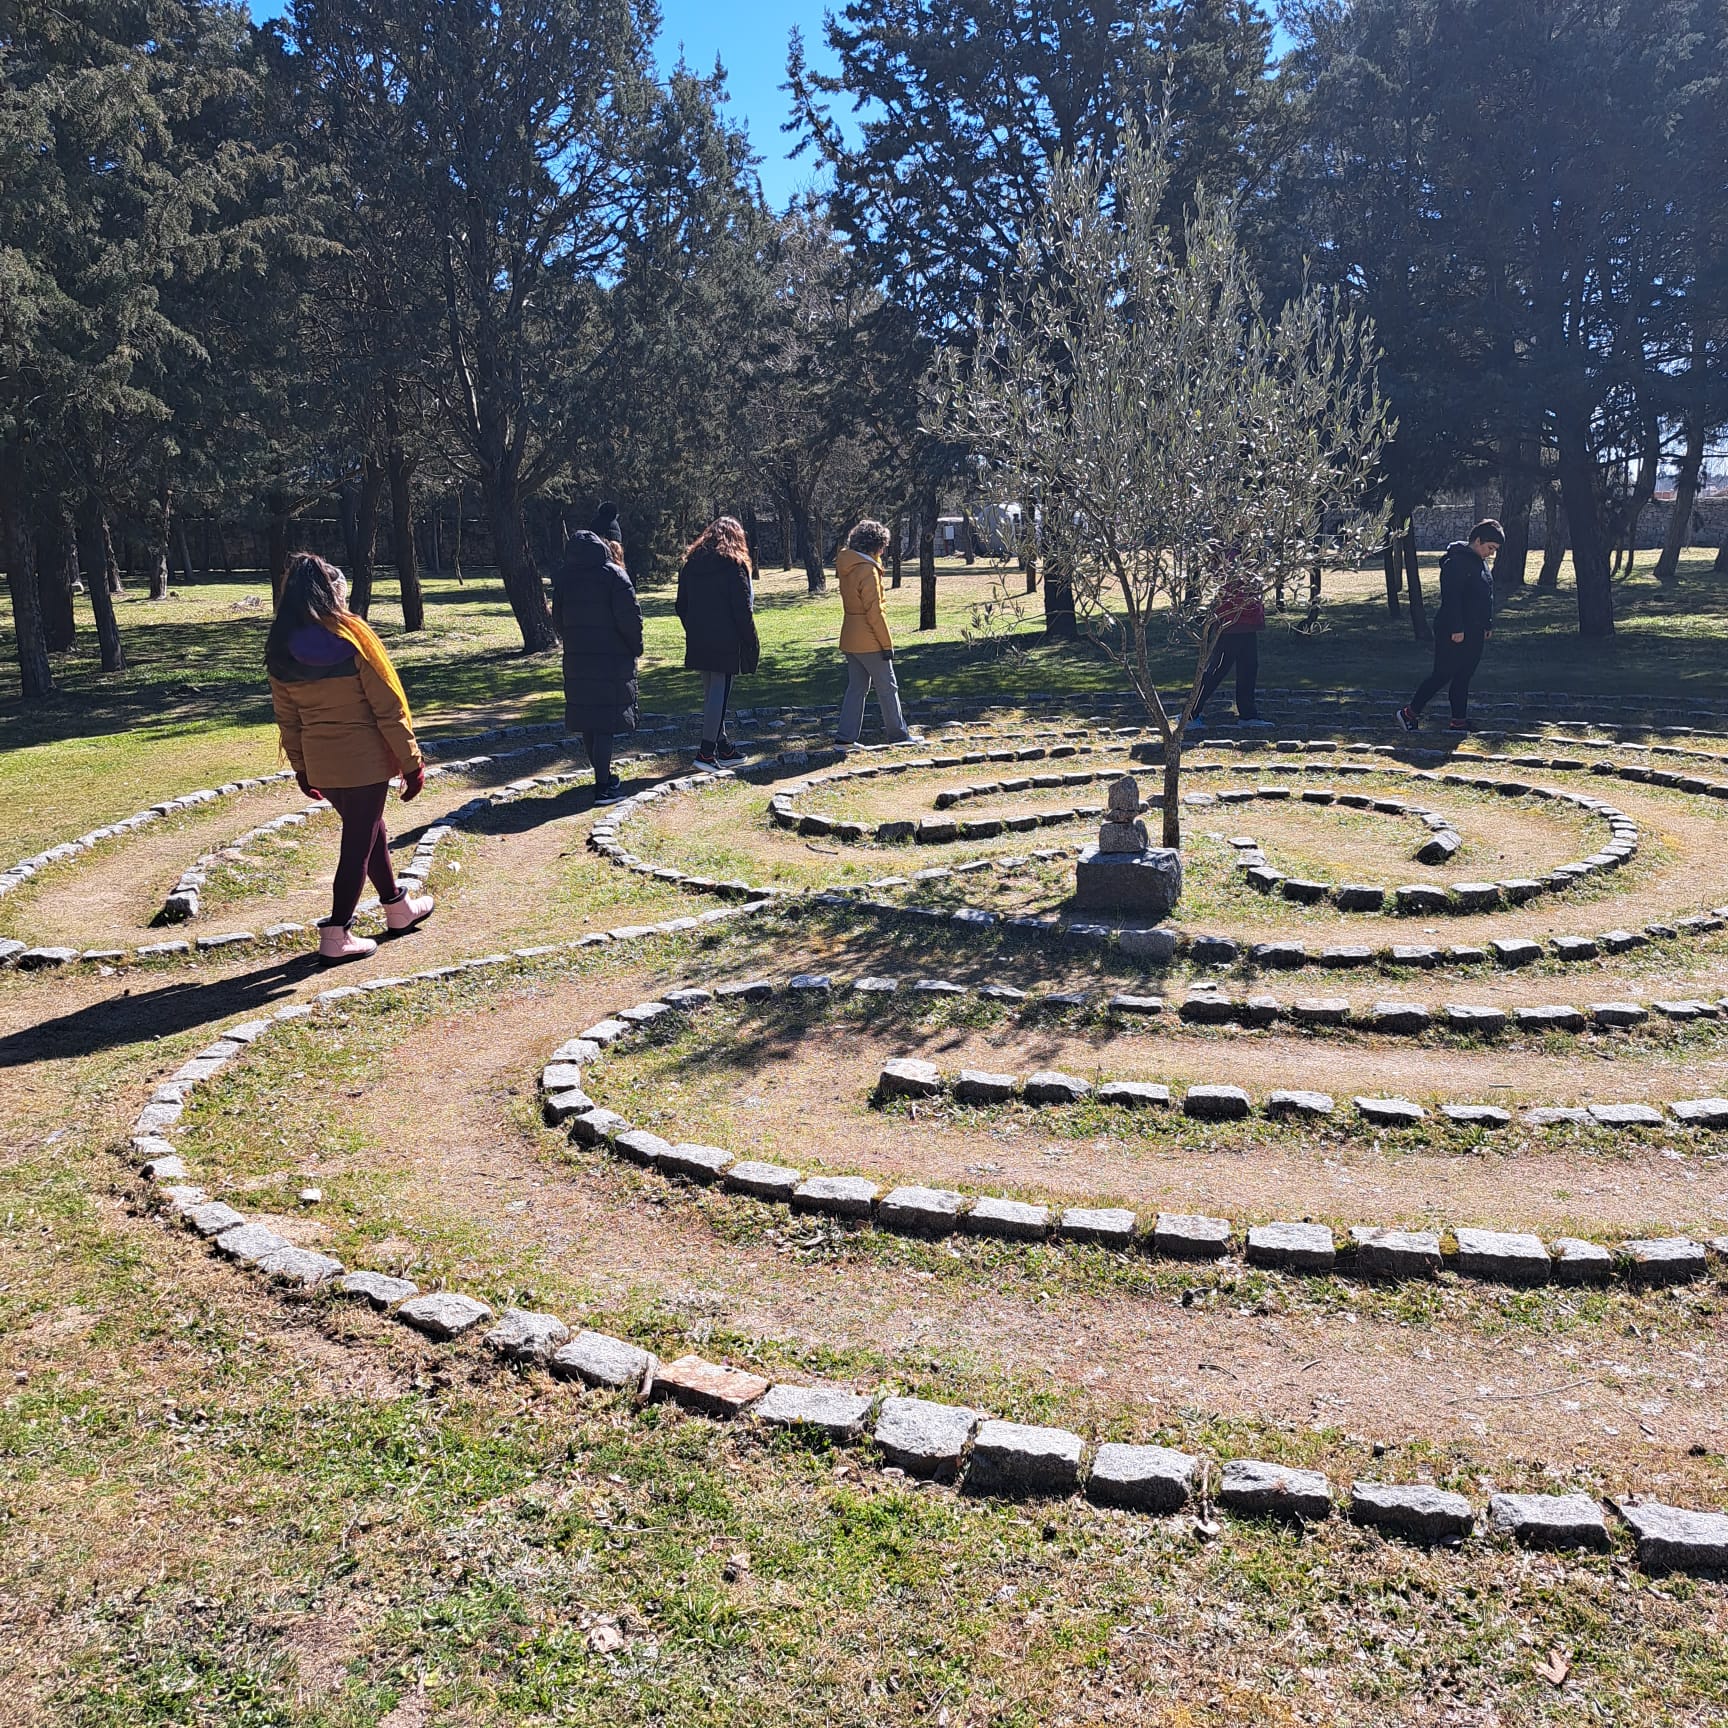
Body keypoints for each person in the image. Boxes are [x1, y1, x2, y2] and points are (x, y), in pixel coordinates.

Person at [265, 553, 431, 963]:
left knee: (369, 830)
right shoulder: (353, 637)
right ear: (331, 592)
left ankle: (397, 907)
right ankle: (337, 931)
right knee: (358, 840)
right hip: (364, 759)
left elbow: (288, 720)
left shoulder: (281, 646)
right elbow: (387, 705)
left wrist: (302, 768)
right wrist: (411, 762)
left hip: (323, 761)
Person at [550, 502, 642, 804]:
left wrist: (575, 640)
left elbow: (558, 619)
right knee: (604, 722)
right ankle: (603, 786)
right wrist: (634, 647)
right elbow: (629, 619)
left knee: (590, 719)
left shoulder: (565, 577)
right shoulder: (614, 576)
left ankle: (602, 775)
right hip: (610, 658)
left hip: (578, 657)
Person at [1398, 519, 1503, 734]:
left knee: (1464, 675)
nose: (1491, 554)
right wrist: (1457, 628)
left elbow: (1487, 595)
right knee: (1443, 673)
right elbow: (1451, 598)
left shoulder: (1480, 563)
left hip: (1474, 629)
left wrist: (1487, 623)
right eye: (1490, 548)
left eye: (1494, 550)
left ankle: (1459, 721)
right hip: (1452, 628)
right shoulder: (1454, 562)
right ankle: (1409, 713)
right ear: (1477, 540)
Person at [675, 515, 759, 771]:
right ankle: (706, 752)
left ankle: (723, 746)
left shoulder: (691, 564)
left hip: (700, 637)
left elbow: (681, 605)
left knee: (711, 692)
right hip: (725, 639)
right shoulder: (733, 565)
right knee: (719, 694)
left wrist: (695, 628)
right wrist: (750, 641)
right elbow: (742, 609)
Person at [834, 518, 917, 746]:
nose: (884, 550)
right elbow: (874, 612)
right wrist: (886, 644)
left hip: (850, 635)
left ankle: (845, 738)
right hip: (869, 639)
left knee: (856, 688)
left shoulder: (847, 564)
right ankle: (899, 735)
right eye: (882, 545)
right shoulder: (867, 570)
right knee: (888, 687)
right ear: (874, 545)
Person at [1187, 543, 1267, 731]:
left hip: (1247, 622)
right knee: (1217, 669)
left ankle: (1247, 714)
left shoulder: (1242, 552)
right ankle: (1190, 714)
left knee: (1248, 668)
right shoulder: (1230, 555)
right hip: (1233, 622)